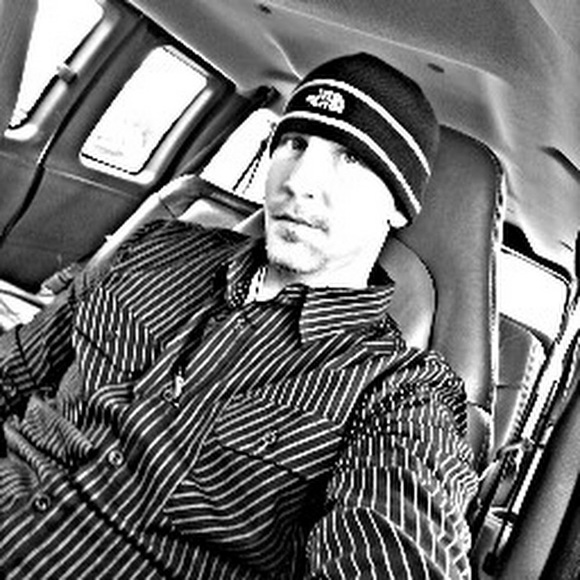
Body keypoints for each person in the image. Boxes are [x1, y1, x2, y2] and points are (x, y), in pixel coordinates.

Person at [0, 53, 478, 579]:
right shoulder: (158, 247)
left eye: (352, 158)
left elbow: (399, 551)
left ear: (398, 207)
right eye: (294, 144)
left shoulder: (400, 390)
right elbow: (13, 371)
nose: (299, 180)